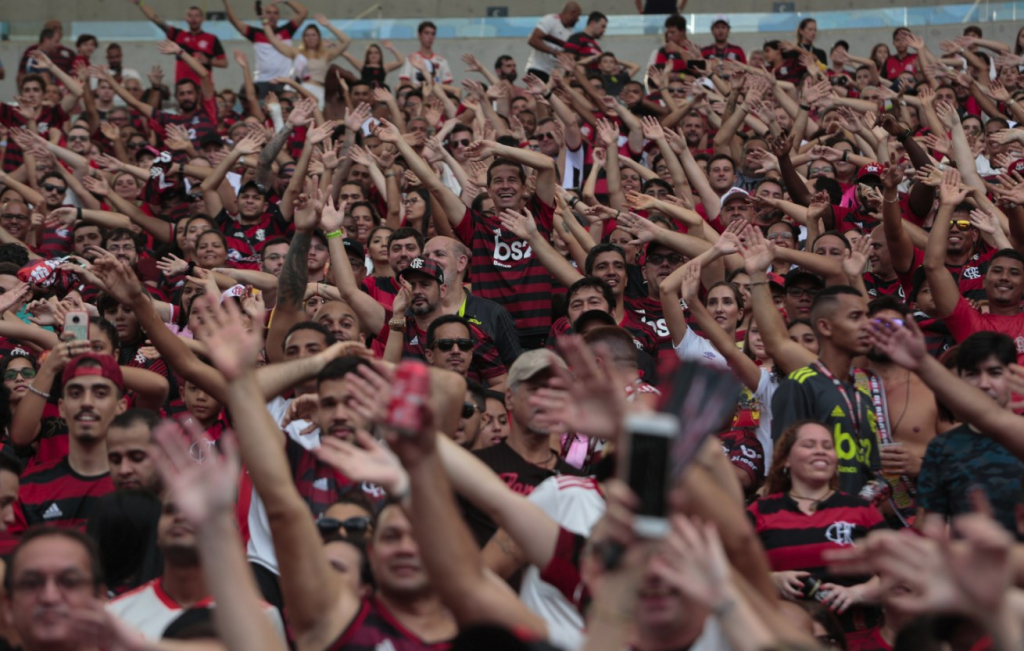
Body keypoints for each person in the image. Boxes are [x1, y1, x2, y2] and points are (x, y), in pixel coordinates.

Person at [107, 477, 285, 640]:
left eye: (195, 509)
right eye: (171, 510)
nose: (180, 517)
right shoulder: (114, 615)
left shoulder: (262, 618)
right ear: (157, 533)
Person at [749, 420, 884, 613]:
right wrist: (770, 580)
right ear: (786, 459)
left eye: (828, 446)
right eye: (809, 445)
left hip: (857, 636)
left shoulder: (862, 510)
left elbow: (898, 572)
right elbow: (728, 568)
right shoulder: (760, 511)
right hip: (785, 634)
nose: (820, 451)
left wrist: (857, 593)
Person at [771, 285, 882, 496]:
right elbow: (783, 467)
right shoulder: (800, 384)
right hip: (814, 522)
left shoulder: (862, 397)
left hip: (857, 521)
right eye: (855, 317)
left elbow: (871, 473)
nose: (868, 325)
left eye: (868, 316)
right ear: (825, 327)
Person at [915, 332, 1024, 534]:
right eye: (972, 374)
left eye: (994, 372)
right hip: (967, 562)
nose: (984, 383)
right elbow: (931, 525)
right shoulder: (942, 448)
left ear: (1013, 375)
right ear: (959, 381)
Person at [222, 0, 309, 97]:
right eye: (268, 12)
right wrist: (226, 2)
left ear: (279, 16)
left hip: (284, 81)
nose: (272, 16)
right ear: (263, 14)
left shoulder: (287, 30)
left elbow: (303, 12)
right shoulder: (256, 34)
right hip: (262, 82)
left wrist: (286, 1)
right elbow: (234, 21)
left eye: (275, 13)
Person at [128, 0, 227, 84]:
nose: (193, 18)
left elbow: (224, 63)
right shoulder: (178, 34)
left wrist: (208, 61)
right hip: (182, 86)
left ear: (202, 18)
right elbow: (156, 19)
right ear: (186, 18)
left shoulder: (212, 38)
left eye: (197, 15)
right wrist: (140, 3)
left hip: (204, 87)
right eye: (190, 15)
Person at [525, 2, 582, 83]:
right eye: (578, 16)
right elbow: (533, 40)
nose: (578, 19)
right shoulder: (551, 20)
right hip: (539, 69)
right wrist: (553, 52)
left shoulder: (570, 32)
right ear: (572, 13)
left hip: (554, 75)